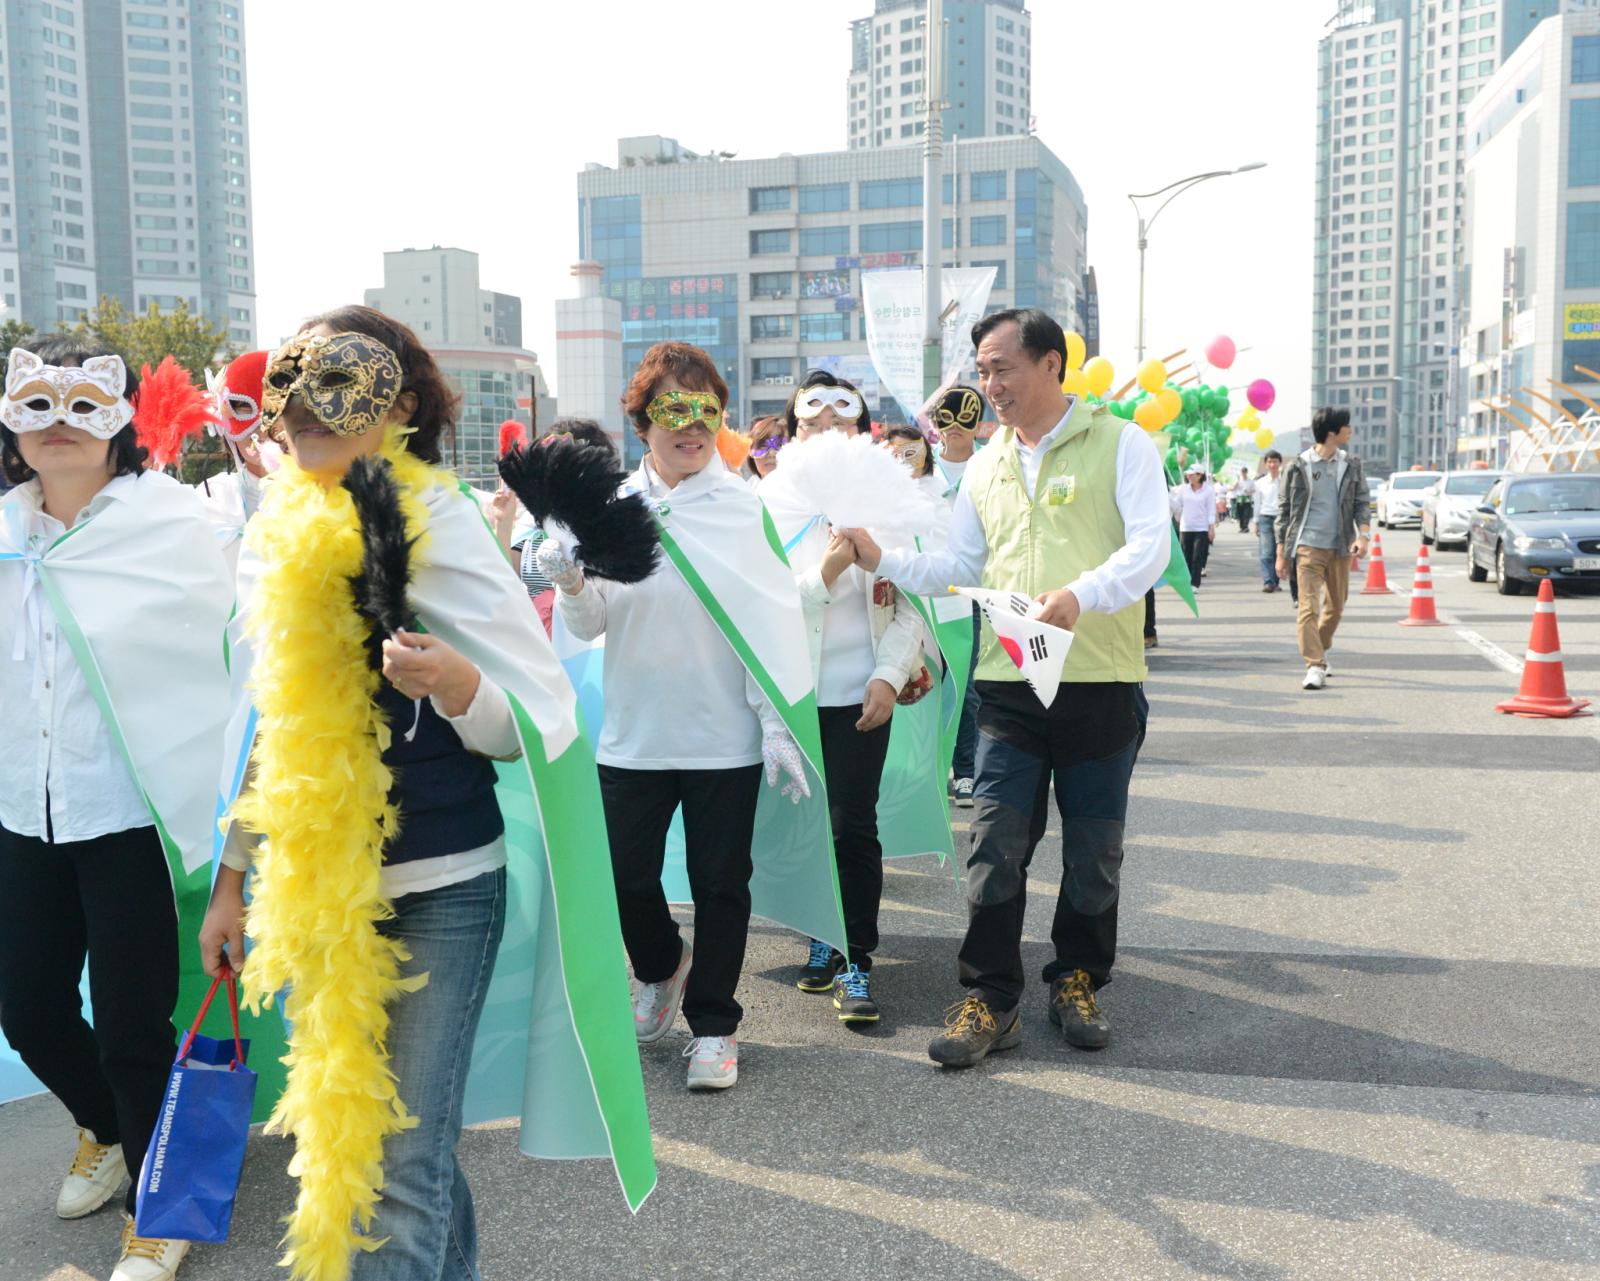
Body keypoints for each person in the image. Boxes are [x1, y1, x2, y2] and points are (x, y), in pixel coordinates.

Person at [201, 306, 651, 1279]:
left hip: (443, 884)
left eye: (342, 385)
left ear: (398, 407)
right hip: (325, 895)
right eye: (297, 388)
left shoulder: (437, 520)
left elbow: (530, 723)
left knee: (398, 1163)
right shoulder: (273, 533)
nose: (310, 412)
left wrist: (457, 685)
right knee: (395, 1149)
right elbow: (266, 722)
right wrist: (233, 879)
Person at [840, 307, 1169, 1067]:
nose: (989, 386)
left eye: (1000, 368)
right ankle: (990, 997)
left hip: (1098, 680)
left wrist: (1083, 594)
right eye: (982, 371)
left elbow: (1152, 547)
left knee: (1095, 851)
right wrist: (879, 557)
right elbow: (958, 567)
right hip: (1007, 684)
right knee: (993, 845)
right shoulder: (985, 463)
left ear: (1052, 364)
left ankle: (1077, 977)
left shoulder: (1122, 443)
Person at [1, 336, 242, 1281]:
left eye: (83, 406)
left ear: (121, 421)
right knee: (26, 1007)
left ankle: (158, 1203)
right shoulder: (4, 529)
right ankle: (104, 1126)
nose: (59, 426)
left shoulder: (173, 524)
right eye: (36, 404)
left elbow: (238, 647)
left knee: (136, 1017)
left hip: (127, 809)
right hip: (25, 808)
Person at [546, 342, 820, 1092]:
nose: (692, 425)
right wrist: (571, 580)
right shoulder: (610, 511)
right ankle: (662, 966)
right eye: (674, 407)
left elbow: (770, 622)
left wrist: (773, 721)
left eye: (706, 409)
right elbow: (593, 623)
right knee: (626, 875)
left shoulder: (741, 509)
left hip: (722, 736)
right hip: (634, 733)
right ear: (642, 421)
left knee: (721, 883)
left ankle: (715, 1028)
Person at [759, 396, 931, 1025]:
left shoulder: (888, 499)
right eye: (813, 424)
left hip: (864, 696)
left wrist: (888, 677)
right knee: (803, 826)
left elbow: (915, 602)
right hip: (793, 698)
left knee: (851, 825)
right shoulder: (769, 506)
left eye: (841, 424)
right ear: (793, 432)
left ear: (860, 431)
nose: (828, 434)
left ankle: (856, 954)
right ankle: (819, 933)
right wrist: (828, 570)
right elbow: (765, 609)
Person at [1276, 408, 1370, 690]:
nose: (1350, 431)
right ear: (1332, 432)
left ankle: (1319, 646)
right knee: (1308, 606)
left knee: (1336, 607)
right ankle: (1314, 664)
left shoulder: (1350, 464)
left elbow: (1362, 503)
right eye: (1346, 427)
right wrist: (1281, 552)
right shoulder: (1298, 465)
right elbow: (1285, 510)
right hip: (1307, 546)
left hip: (1340, 546)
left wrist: (1362, 536)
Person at [924, 384, 986, 807]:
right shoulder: (922, 473)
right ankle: (926, 770)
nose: (955, 428)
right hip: (927, 587)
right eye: (946, 418)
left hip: (974, 590)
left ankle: (965, 770)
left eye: (965, 417)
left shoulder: (991, 467)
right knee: (925, 678)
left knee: (966, 682)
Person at [1171, 461, 1216, 589]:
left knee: (1197, 557)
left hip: (1201, 528)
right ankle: (1186, 581)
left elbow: (1210, 509)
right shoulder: (1183, 489)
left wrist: (1211, 528)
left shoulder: (1208, 491)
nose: (1189, 476)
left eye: (1192, 474)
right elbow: (1176, 504)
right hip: (1186, 527)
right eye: (1188, 474)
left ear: (1200, 475)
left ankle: (1194, 583)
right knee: (1186, 556)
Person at [1253, 450, 1283, 592]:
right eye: (1269, 462)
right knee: (1266, 552)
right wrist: (1256, 522)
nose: (1272, 464)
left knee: (1280, 551)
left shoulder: (1284, 481)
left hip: (1282, 519)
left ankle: (1276, 580)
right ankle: (1268, 581)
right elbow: (1257, 503)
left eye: (1275, 461)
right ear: (1266, 464)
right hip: (1265, 517)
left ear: (1279, 463)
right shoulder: (1260, 483)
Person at [746, 415, 787, 484]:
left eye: (780, 445)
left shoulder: (804, 491)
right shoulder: (745, 490)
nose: (771, 453)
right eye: (763, 446)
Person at [1234, 465, 1253, 533]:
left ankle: (1246, 527)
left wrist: (1249, 492)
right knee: (1240, 514)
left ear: (1246, 472)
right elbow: (1233, 488)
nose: (1243, 473)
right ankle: (1242, 527)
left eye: (1245, 472)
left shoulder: (1250, 481)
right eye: (1242, 472)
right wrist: (1237, 480)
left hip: (1247, 499)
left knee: (1246, 514)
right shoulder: (1239, 481)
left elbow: (1253, 490)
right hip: (1239, 498)